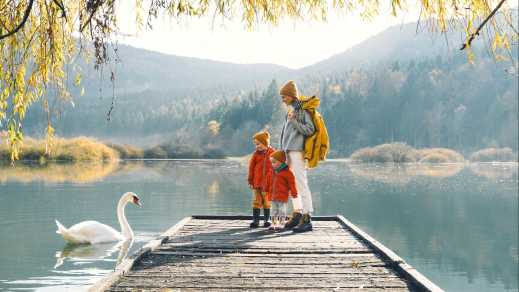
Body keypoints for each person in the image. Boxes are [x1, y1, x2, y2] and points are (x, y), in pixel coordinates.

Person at [279, 80, 315, 233]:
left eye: (284, 96)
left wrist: (293, 121)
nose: (283, 99)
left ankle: (307, 218)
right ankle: (298, 213)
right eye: (282, 97)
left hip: (297, 152)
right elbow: (286, 134)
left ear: (292, 95)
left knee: (302, 184)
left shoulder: (302, 111)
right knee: (292, 186)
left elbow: (309, 129)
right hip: (289, 152)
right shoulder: (292, 110)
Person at [247, 131, 275, 228]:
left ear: (265, 143)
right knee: (256, 201)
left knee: (267, 202)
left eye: (258, 144)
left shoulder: (272, 153)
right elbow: (251, 168)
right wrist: (250, 180)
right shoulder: (255, 155)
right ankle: (256, 220)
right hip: (257, 183)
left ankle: (267, 219)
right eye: (255, 144)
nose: (257, 146)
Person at [267, 150, 297, 231]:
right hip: (273, 195)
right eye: (271, 162)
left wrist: (294, 192)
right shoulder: (272, 172)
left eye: (274, 162)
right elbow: (268, 182)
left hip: (282, 196)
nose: (272, 164)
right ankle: (273, 223)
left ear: (281, 162)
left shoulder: (287, 172)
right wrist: (265, 188)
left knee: (281, 210)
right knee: (273, 210)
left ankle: (281, 223)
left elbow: (292, 183)